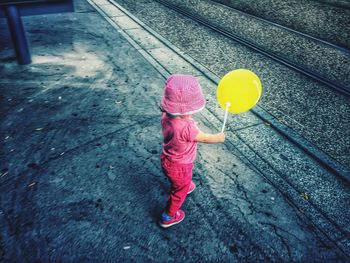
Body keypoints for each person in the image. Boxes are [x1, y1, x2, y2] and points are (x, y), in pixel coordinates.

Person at [159, 74, 225, 228]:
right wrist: (219, 137)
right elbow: (205, 138)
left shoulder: (165, 116)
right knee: (178, 193)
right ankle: (168, 216)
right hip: (180, 166)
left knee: (178, 181)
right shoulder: (188, 128)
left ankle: (183, 184)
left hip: (167, 159)